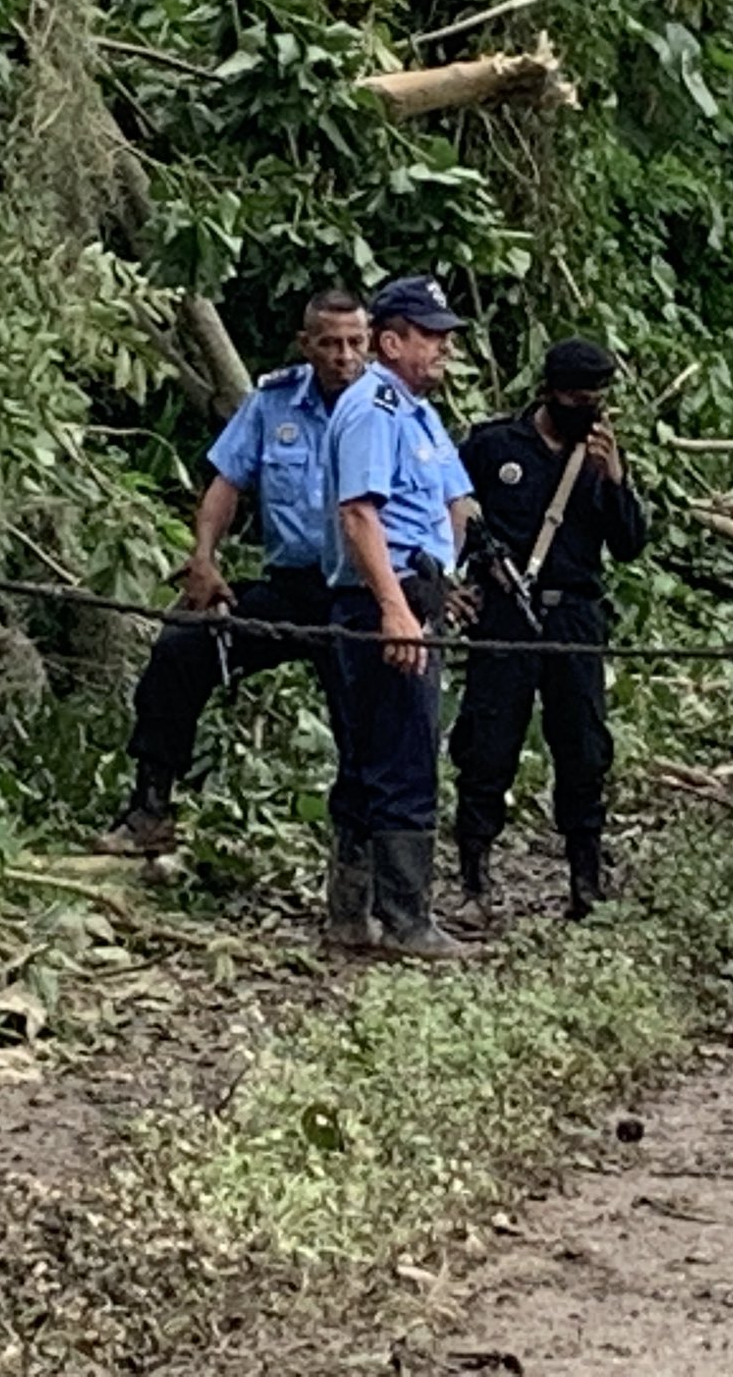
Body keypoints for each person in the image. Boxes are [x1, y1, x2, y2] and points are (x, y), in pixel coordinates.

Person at [98, 289, 369, 875]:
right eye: (330, 343)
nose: (344, 356)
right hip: (291, 586)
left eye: (355, 343)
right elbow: (226, 483)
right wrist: (203, 558)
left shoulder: (386, 407)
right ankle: (150, 809)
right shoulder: (273, 404)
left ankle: (365, 854)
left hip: (361, 595)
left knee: (365, 718)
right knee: (182, 647)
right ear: (307, 345)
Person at [448, 339, 649, 924]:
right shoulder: (493, 446)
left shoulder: (600, 455)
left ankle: (586, 882)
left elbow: (630, 544)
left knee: (583, 748)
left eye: (595, 398)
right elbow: (451, 521)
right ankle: (474, 883)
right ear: (549, 391)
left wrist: (614, 479)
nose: (585, 408)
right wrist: (451, 585)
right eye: (573, 397)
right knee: (487, 744)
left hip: (575, 615)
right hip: (507, 615)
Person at [324, 275, 477, 959]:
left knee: (381, 754)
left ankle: (356, 914)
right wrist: (395, 607)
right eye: (430, 335)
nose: (443, 347)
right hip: (385, 601)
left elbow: (454, 503)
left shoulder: (417, 410)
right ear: (392, 341)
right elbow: (360, 513)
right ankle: (404, 919)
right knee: (402, 758)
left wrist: (447, 583)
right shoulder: (373, 408)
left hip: (420, 591)